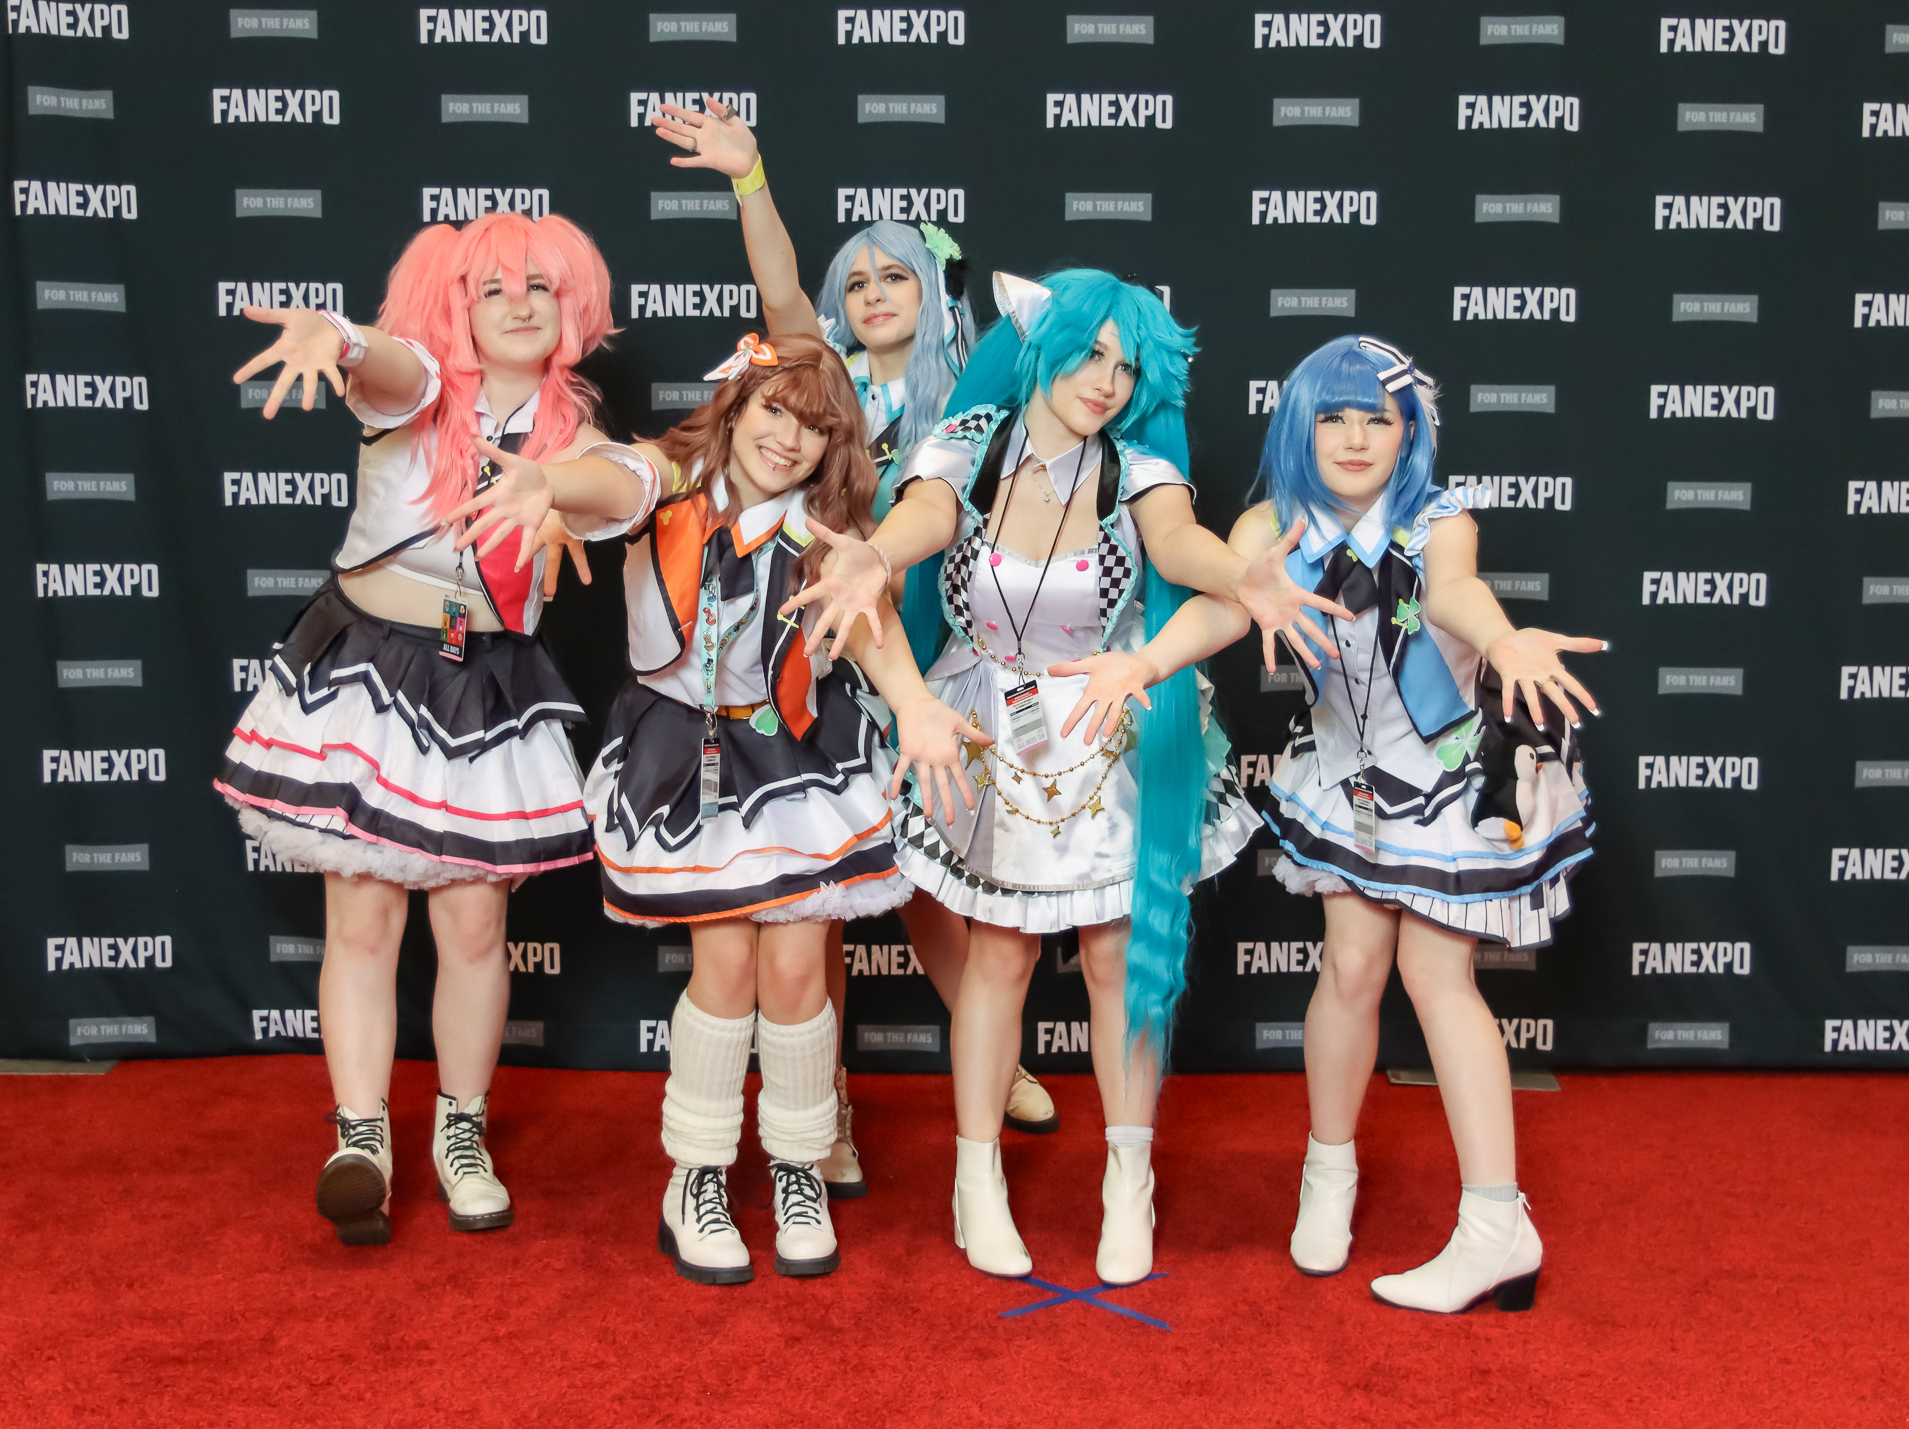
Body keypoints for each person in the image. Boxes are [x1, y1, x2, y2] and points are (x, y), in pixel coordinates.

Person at [785, 270, 1347, 1284]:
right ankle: (976, 1183)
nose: (1106, 379)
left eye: (1125, 366)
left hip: (1100, 722)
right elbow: (922, 515)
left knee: (1115, 964)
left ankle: (1124, 1184)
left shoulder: (1137, 466)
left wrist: (1238, 574)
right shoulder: (967, 443)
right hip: (990, 728)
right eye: (1090, 353)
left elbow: (1178, 542)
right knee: (993, 962)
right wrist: (869, 557)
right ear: (1043, 346)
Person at [448, 330, 987, 1284]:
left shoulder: (825, 528)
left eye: (815, 427)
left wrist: (914, 705)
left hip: (790, 750)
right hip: (677, 746)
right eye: (773, 409)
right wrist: (551, 485)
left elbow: (869, 625)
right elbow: (614, 478)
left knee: (794, 966)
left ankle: (797, 1166)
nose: (788, 438)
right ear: (737, 406)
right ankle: (694, 1175)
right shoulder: (673, 482)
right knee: (727, 958)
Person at [1079, 335, 1603, 1312]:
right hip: (1352, 786)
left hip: (1450, 780)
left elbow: (1452, 590)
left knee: (1432, 975)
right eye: (1333, 416)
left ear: (1409, 431)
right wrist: (1143, 664)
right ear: (1298, 425)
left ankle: (1496, 1224)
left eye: (1378, 417)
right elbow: (1229, 609)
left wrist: (1499, 637)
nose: (1356, 436)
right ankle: (1329, 1172)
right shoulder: (1272, 524)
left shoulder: (1436, 519)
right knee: (1350, 970)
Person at [651, 98, 1058, 1195]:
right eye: (858, 282)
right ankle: (818, 1115)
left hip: (929, 648)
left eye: (896, 279)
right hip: (817, 658)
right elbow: (779, 289)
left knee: (931, 888)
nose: (873, 296)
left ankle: (995, 1051)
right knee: (810, 902)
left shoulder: (974, 389)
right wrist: (750, 180)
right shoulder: (814, 383)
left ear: (934, 295)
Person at [215, 211, 622, 1246]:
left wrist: (580, 483)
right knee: (360, 916)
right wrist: (342, 342)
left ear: (571, 299)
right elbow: (394, 372)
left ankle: (461, 1131)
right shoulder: (425, 388)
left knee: (477, 925)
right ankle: (359, 1137)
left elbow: (623, 489)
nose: (520, 304)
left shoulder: (573, 431)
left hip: (487, 678)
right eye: (492, 290)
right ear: (458, 305)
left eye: (539, 284)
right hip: (370, 669)